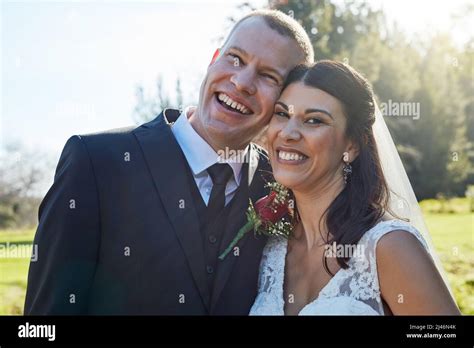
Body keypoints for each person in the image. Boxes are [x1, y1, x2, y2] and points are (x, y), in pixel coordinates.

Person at [24, 10, 314, 315]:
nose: (242, 82)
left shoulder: (283, 186)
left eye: (268, 76)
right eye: (235, 58)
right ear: (214, 58)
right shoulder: (95, 163)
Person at [249, 61, 461, 315]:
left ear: (351, 146)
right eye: (282, 114)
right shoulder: (272, 248)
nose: (288, 133)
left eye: (314, 120)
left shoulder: (389, 247)